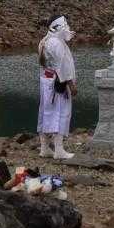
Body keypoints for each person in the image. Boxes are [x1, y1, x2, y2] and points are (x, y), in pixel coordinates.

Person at [36, 15, 77, 160]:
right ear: (59, 27)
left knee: (46, 112)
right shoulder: (57, 43)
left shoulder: (45, 40)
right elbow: (63, 66)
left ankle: (44, 148)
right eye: (65, 25)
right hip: (58, 83)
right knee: (60, 113)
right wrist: (71, 84)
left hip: (47, 81)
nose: (68, 28)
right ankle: (59, 150)